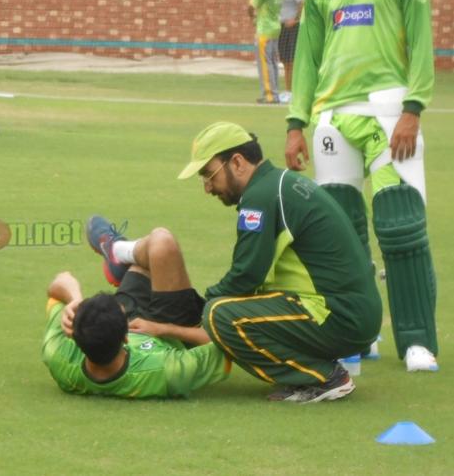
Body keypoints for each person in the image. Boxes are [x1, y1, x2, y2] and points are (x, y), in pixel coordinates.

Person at [91, 122, 382, 402]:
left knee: (219, 315)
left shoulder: (260, 196)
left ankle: (325, 377)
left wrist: (202, 312)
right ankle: (122, 256)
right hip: (348, 314)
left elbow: (245, 276)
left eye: (209, 174)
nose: (207, 187)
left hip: (337, 315)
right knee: (208, 304)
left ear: (238, 162)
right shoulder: (276, 185)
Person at [285, 0, 438, 373]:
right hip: (332, 119)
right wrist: (296, 122)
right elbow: (306, 61)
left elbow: (420, 43)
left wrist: (413, 109)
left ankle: (417, 341)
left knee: (401, 226)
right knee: (343, 234)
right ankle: (359, 333)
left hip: (391, 113)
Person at [42, 229, 231, 399]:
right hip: (174, 327)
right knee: (161, 243)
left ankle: (121, 259)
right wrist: (163, 329)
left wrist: (75, 300)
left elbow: (61, 280)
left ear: (74, 338)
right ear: (125, 338)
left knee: (143, 264)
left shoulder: (60, 356)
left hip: (133, 318)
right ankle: (118, 251)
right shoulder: (165, 370)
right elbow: (226, 341)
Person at [248, 0, 285, 104]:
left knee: (265, 63)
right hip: (275, 28)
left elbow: (251, 5)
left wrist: (252, 18)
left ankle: (269, 95)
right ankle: (274, 93)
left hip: (264, 29)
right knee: (273, 62)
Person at [276, 0, 305, 99]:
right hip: (282, 27)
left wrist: (296, 19)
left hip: (292, 28)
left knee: (292, 60)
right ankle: (288, 91)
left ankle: (293, 92)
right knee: (285, 61)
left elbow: (303, 2)